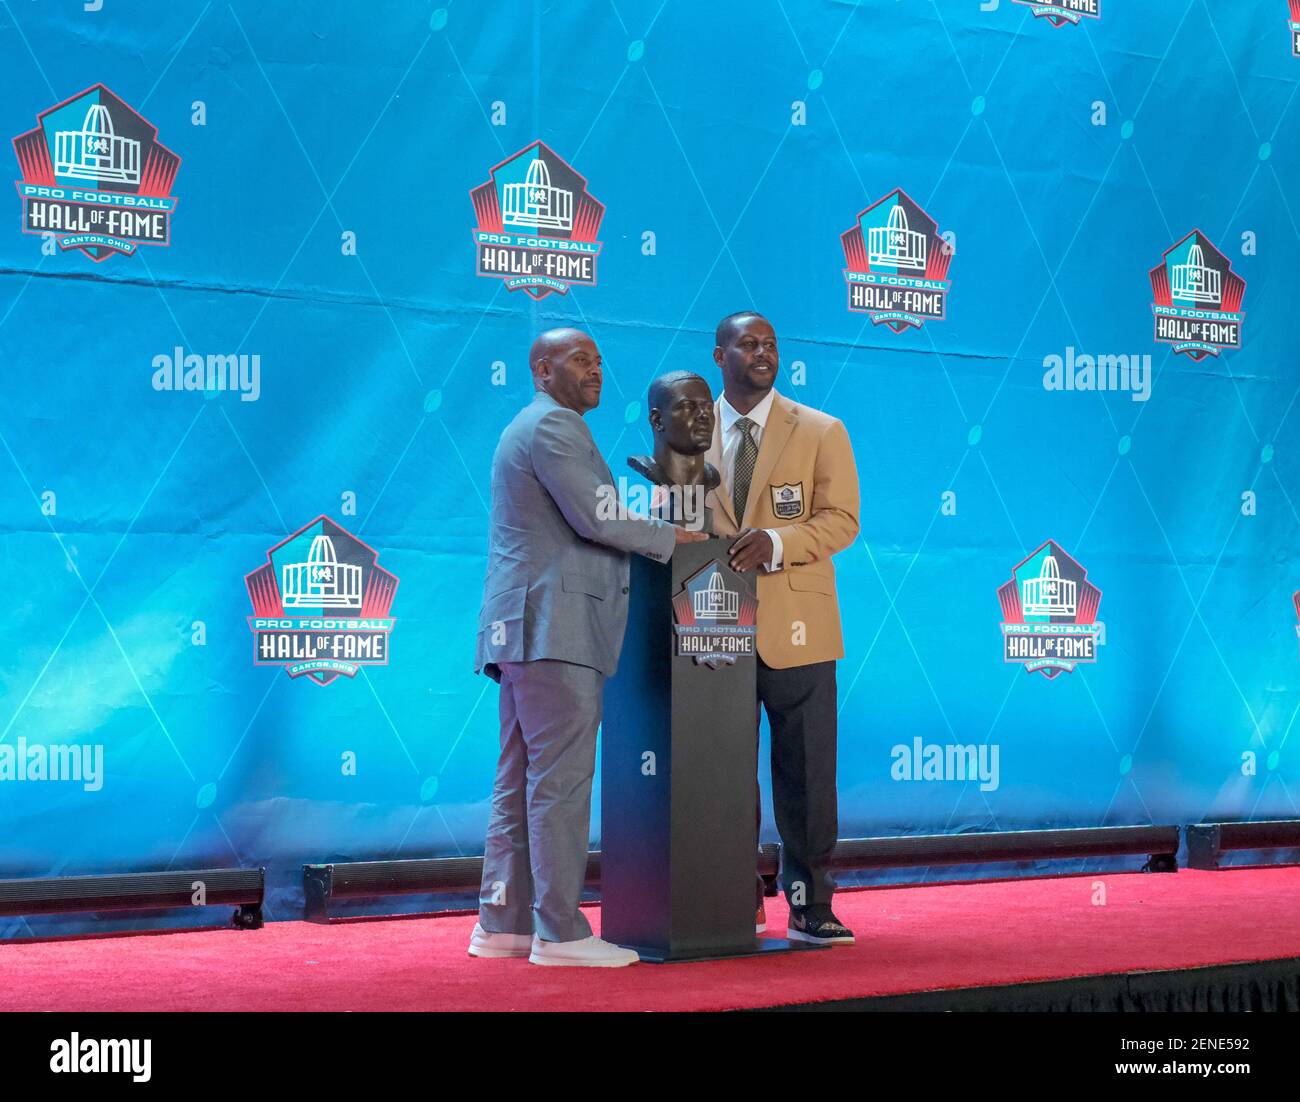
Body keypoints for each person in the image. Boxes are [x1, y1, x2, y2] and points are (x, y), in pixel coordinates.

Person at [469, 327, 707, 968]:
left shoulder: (532, 425)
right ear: (541, 369)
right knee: (559, 782)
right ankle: (560, 933)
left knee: (520, 776)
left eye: (600, 360)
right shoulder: (555, 428)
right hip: (555, 627)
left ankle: (503, 925)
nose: (596, 370)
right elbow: (599, 515)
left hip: (526, 627)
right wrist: (671, 536)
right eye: (580, 360)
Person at [705, 311, 861, 945]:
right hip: (711, 628)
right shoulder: (689, 430)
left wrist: (776, 541)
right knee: (721, 772)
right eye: (748, 343)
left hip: (799, 627)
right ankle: (732, 897)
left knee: (805, 772)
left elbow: (842, 520)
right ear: (720, 355)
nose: (763, 352)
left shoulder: (822, 430)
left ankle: (809, 902)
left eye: (771, 342)